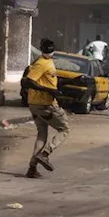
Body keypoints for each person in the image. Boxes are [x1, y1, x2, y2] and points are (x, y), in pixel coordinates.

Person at [21, 38, 68, 179]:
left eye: (50, 47)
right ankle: (45, 154)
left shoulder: (44, 62)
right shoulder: (41, 63)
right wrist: (50, 91)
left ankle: (32, 168)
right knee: (65, 129)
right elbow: (29, 81)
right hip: (44, 104)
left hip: (35, 104)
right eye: (47, 48)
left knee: (42, 134)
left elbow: (47, 79)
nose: (49, 51)